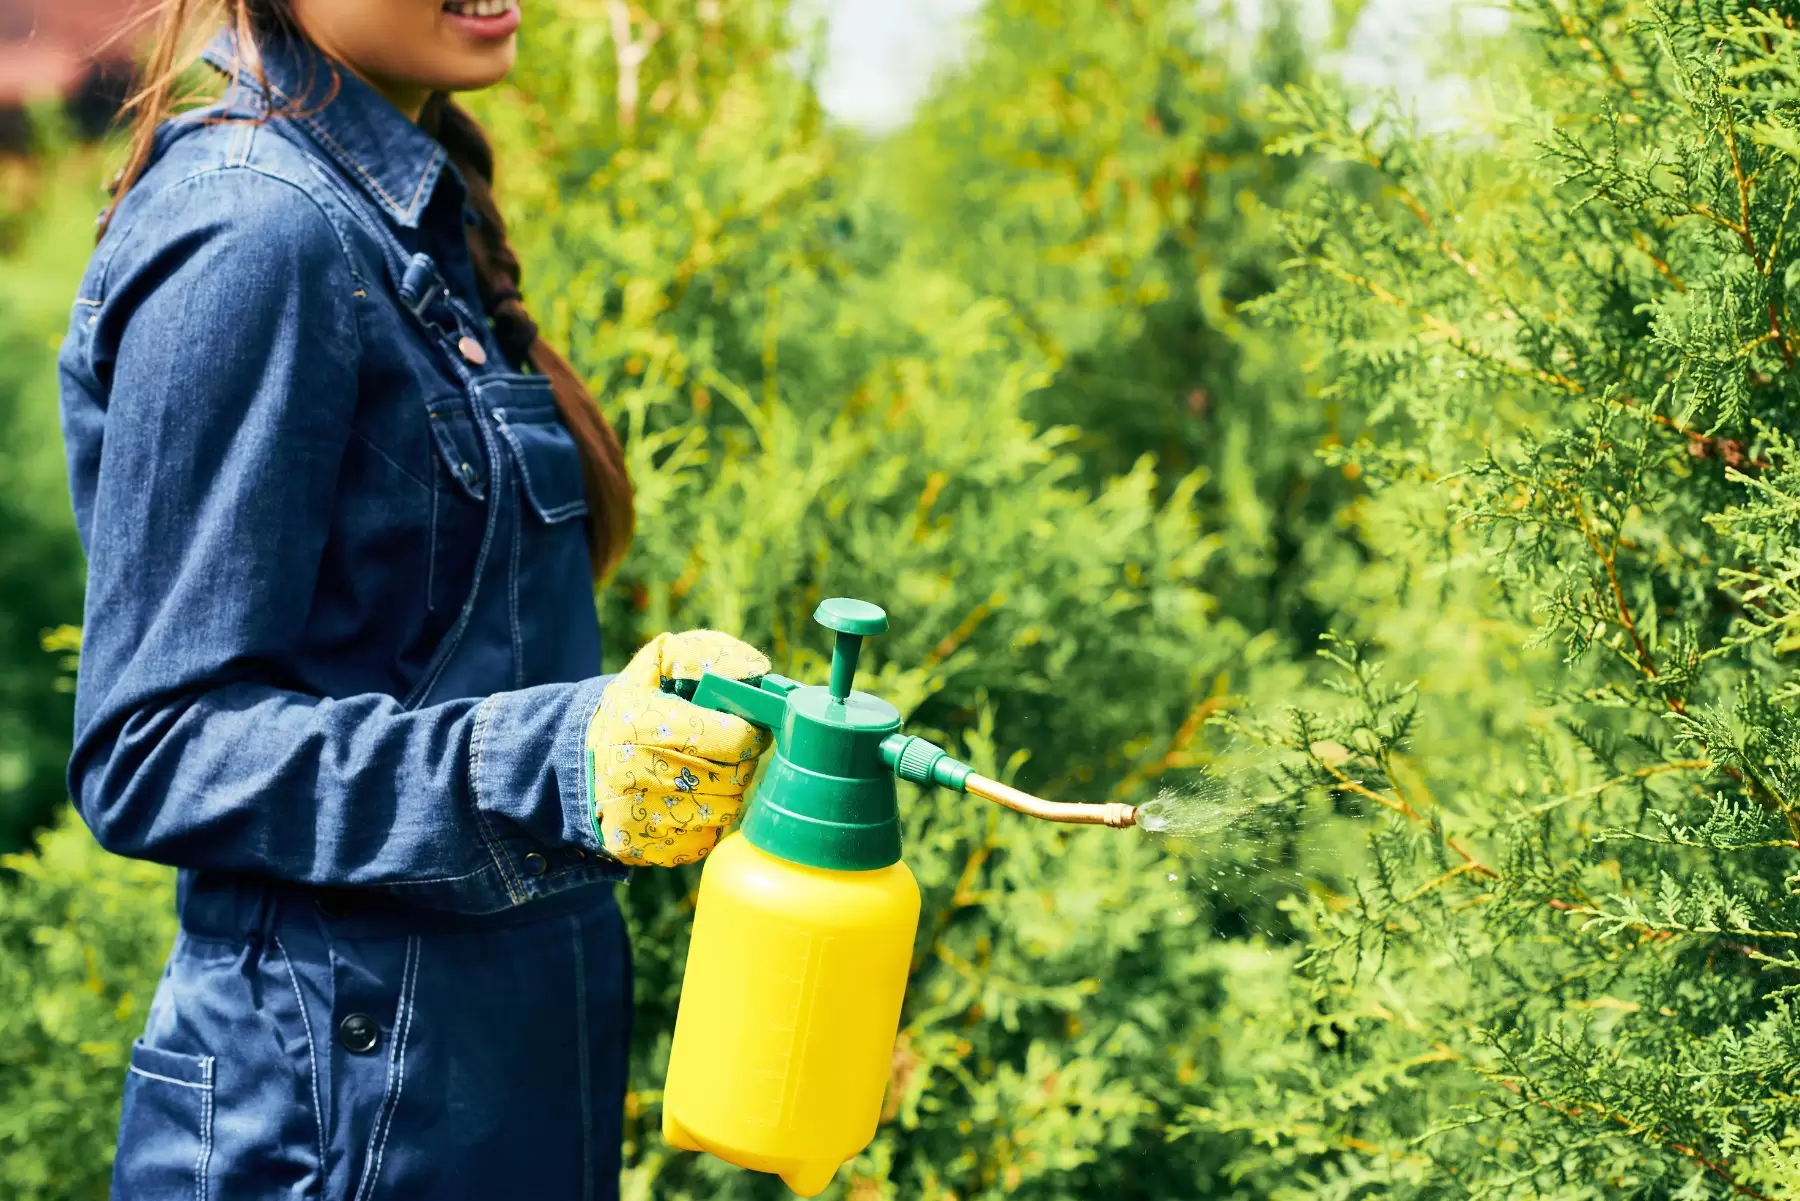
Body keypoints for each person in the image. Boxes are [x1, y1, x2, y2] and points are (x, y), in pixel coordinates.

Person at [56, 2, 774, 1197]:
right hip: (339, 1130)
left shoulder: (403, 217)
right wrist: (557, 760)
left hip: (485, 1095)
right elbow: (153, 746)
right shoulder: (254, 228)